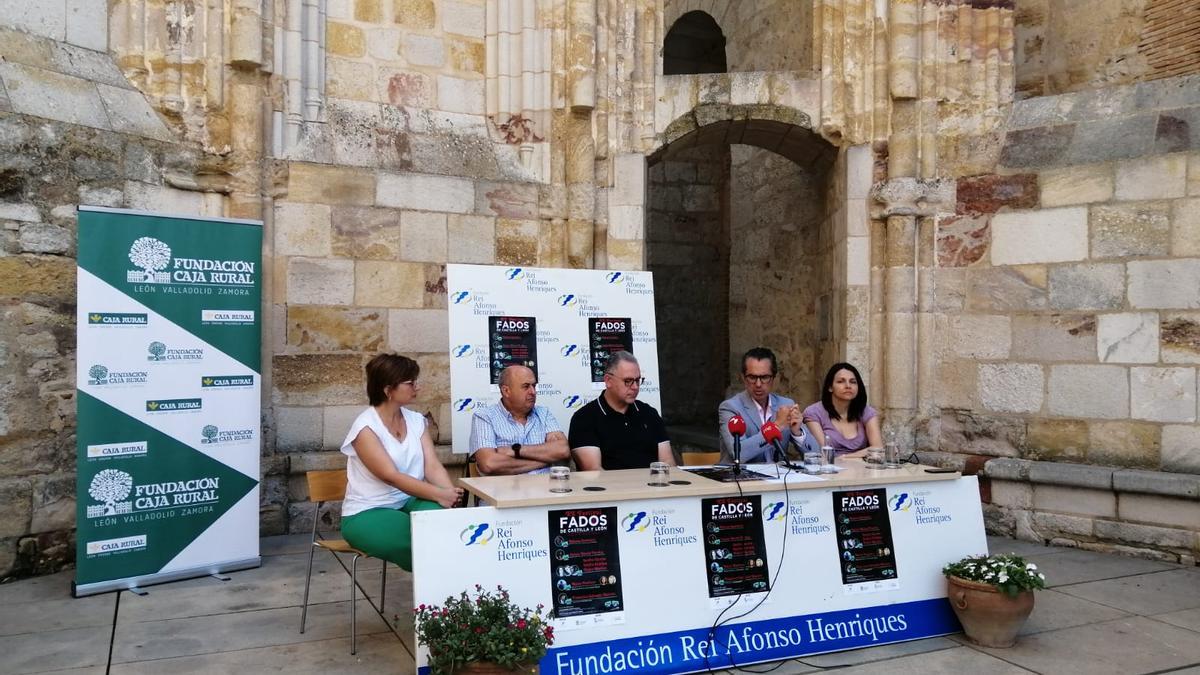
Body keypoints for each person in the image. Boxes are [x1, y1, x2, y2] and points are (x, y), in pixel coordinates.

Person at [339, 353, 464, 571]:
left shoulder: (416, 421)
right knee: (419, 543)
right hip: (368, 510)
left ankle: (461, 586)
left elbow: (432, 465)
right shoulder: (365, 429)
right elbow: (391, 477)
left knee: (451, 526)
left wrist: (449, 494)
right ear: (388, 390)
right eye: (410, 383)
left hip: (409, 500)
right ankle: (445, 589)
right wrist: (439, 494)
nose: (417, 387)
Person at [569, 351, 674, 470]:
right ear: (608, 381)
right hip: (610, 482)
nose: (635, 387)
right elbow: (594, 471)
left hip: (653, 481)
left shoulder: (649, 413)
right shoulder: (584, 418)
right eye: (628, 381)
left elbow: (668, 462)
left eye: (638, 380)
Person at [718, 347, 820, 464]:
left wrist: (798, 433)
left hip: (778, 474)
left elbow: (817, 456)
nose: (758, 384)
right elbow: (738, 454)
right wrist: (776, 426)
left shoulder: (786, 405)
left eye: (765, 377)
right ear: (743, 378)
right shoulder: (730, 407)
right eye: (752, 377)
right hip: (741, 475)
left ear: (774, 378)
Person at [469, 364, 569, 475]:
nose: (533, 392)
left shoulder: (544, 413)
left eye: (534, 386)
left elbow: (563, 450)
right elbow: (489, 464)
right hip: (507, 486)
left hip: (547, 484)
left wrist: (514, 450)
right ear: (506, 391)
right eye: (526, 386)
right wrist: (546, 460)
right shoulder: (484, 417)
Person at [803, 362, 883, 453]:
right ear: (830, 387)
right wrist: (859, 455)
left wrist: (847, 457)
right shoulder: (814, 412)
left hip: (861, 462)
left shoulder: (866, 412)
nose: (848, 386)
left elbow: (878, 448)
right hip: (829, 462)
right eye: (841, 381)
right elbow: (823, 452)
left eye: (853, 382)